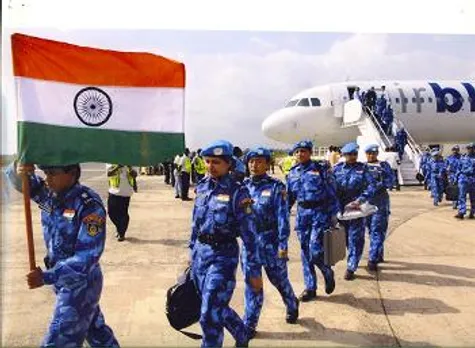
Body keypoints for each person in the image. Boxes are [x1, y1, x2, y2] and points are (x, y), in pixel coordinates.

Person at [6, 161, 119, 347]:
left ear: (72, 172)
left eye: (52, 172)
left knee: (58, 341)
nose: (47, 178)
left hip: (80, 284)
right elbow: (22, 183)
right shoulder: (49, 195)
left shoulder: (89, 205)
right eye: (45, 172)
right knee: (97, 334)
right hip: (63, 280)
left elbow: (87, 258)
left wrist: (46, 276)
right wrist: (19, 167)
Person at [189, 140, 263, 348]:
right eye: (208, 161)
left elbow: (250, 235)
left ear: (228, 164)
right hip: (200, 255)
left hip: (223, 256)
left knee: (208, 315)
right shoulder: (202, 187)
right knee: (214, 306)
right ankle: (241, 334)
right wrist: (191, 252)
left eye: (216, 162)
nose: (210, 166)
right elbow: (196, 223)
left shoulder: (238, 192)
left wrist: (254, 271)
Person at [241, 147, 299, 337]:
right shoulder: (243, 186)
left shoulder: (276, 187)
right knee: (253, 285)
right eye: (251, 161)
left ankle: (291, 303)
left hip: (271, 243)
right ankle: (250, 324)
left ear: (267, 164)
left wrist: (283, 244)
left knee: (279, 280)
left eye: (258, 161)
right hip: (250, 245)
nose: (254, 165)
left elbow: (283, 217)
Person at [286, 140, 338, 302]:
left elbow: (332, 191)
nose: (300, 154)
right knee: (305, 252)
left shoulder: (320, 169)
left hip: (319, 213)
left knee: (315, 250)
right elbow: (289, 197)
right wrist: (283, 213)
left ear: (309, 153)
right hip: (302, 214)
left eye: (303, 151)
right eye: (297, 151)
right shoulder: (292, 173)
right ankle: (310, 287)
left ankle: (327, 272)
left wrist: (334, 214)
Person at [333, 142, 378, 280]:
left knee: (356, 238)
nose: (352, 157)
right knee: (346, 238)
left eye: (355, 154)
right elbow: (330, 187)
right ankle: (352, 257)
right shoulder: (337, 169)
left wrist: (360, 200)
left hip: (357, 208)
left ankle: (351, 266)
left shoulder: (363, 169)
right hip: (341, 209)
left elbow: (371, 186)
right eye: (349, 154)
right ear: (343, 155)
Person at [364, 145, 394, 270]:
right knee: (371, 230)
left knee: (377, 230)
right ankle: (378, 254)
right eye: (369, 153)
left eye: (373, 153)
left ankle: (372, 259)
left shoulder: (383, 166)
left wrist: (377, 186)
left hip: (380, 202)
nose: (371, 155)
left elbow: (390, 181)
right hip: (366, 203)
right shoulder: (363, 167)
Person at [106, 164, 138, 241]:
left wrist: (129, 167)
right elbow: (109, 173)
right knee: (111, 213)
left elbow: (135, 174)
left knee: (123, 213)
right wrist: (118, 166)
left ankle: (122, 233)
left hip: (126, 192)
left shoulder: (130, 161)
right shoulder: (111, 162)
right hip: (114, 191)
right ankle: (119, 227)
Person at [455, 143, 475, 219]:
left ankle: (472, 212)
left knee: (473, 197)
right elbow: (458, 168)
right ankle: (461, 212)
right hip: (463, 179)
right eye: (469, 148)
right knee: (461, 196)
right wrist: (456, 178)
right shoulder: (462, 158)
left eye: (472, 148)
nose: (470, 150)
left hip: (473, 179)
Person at [445, 145, 462, 209]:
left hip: (460, 175)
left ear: (458, 150)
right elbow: (445, 166)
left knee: (460, 189)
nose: (455, 151)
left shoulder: (461, 157)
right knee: (453, 189)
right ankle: (454, 202)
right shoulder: (449, 158)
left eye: (456, 150)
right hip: (451, 175)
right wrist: (447, 171)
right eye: (454, 149)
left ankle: (459, 202)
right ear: (452, 150)